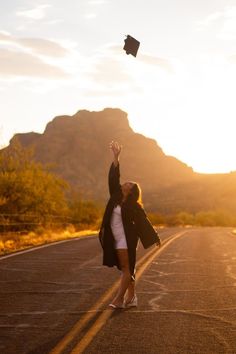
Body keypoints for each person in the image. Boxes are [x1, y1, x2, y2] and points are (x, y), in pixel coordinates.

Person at [99, 141, 161, 309]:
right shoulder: (116, 196)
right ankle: (132, 297)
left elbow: (144, 220)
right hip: (115, 238)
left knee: (127, 268)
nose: (125, 183)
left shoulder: (135, 206)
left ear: (132, 191)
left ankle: (119, 300)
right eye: (126, 182)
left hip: (128, 239)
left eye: (129, 184)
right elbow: (113, 178)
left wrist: (154, 237)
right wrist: (116, 157)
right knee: (125, 268)